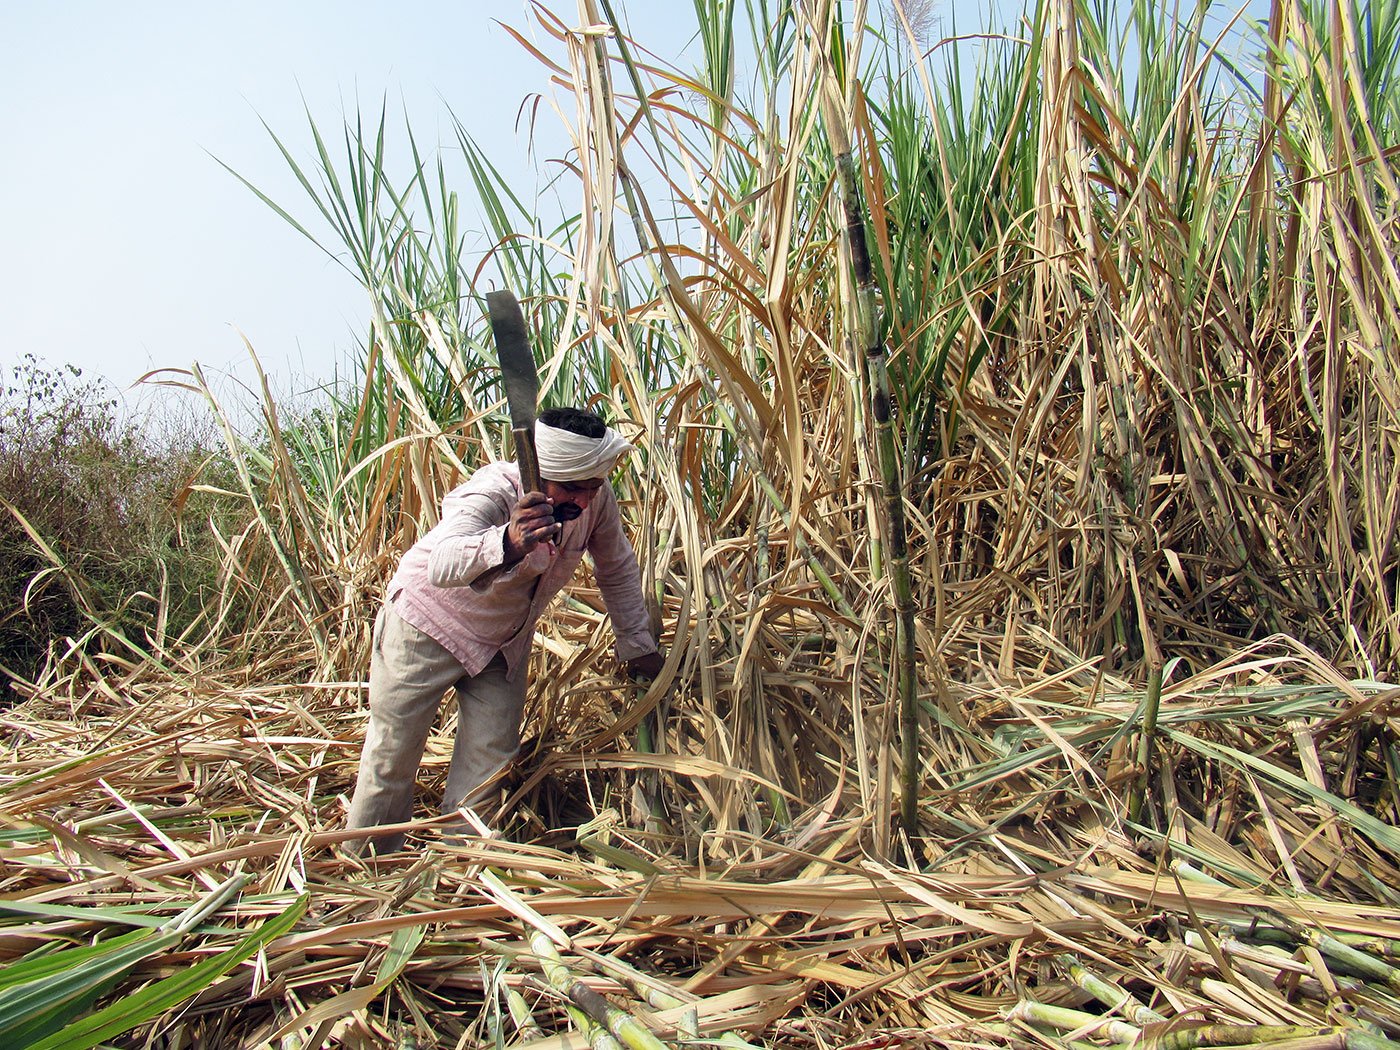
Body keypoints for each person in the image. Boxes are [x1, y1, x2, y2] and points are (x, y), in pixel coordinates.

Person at [345, 406, 664, 853]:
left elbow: (617, 569)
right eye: (573, 488)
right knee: (393, 754)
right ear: (541, 472)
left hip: (501, 645)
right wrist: (508, 543)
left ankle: (464, 870)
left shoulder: (595, 498)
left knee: (489, 762)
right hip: (424, 626)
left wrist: (636, 643)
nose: (586, 500)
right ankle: (365, 869)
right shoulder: (494, 490)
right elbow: (444, 562)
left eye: (592, 487)